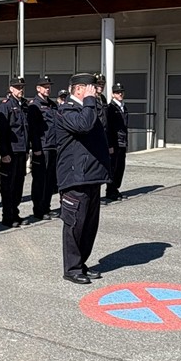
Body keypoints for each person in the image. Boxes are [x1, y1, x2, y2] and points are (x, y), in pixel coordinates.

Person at [55, 73, 112, 283]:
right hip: (75, 177)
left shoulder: (90, 108)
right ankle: (72, 269)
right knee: (75, 224)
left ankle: (81, 263)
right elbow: (83, 126)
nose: (95, 92)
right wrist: (89, 101)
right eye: (91, 88)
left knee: (89, 225)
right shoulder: (66, 110)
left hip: (92, 175)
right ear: (79, 89)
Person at [0, 77, 30, 226]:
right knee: (8, 185)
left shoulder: (23, 105)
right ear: (11, 89)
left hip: (21, 151)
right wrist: (4, 153)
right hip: (11, 152)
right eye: (17, 87)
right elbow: (2, 132)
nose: (20, 90)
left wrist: (27, 149)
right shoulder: (6, 106)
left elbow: (25, 130)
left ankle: (15, 213)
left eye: (22, 87)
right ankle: (7, 216)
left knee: (18, 184)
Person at [27, 75, 59, 220]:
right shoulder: (35, 106)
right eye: (45, 87)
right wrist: (36, 148)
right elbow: (33, 129)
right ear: (38, 88)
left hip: (53, 146)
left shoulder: (52, 104)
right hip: (42, 147)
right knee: (40, 179)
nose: (48, 89)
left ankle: (46, 206)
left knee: (50, 179)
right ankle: (38, 209)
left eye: (49, 86)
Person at [104, 83, 129, 202]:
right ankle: (110, 190)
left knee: (120, 167)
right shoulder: (111, 108)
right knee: (113, 167)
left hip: (122, 141)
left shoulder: (123, 107)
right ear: (113, 94)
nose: (120, 94)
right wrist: (110, 145)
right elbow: (109, 128)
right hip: (115, 142)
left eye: (121, 92)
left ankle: (116, 188)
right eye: (117, 92)